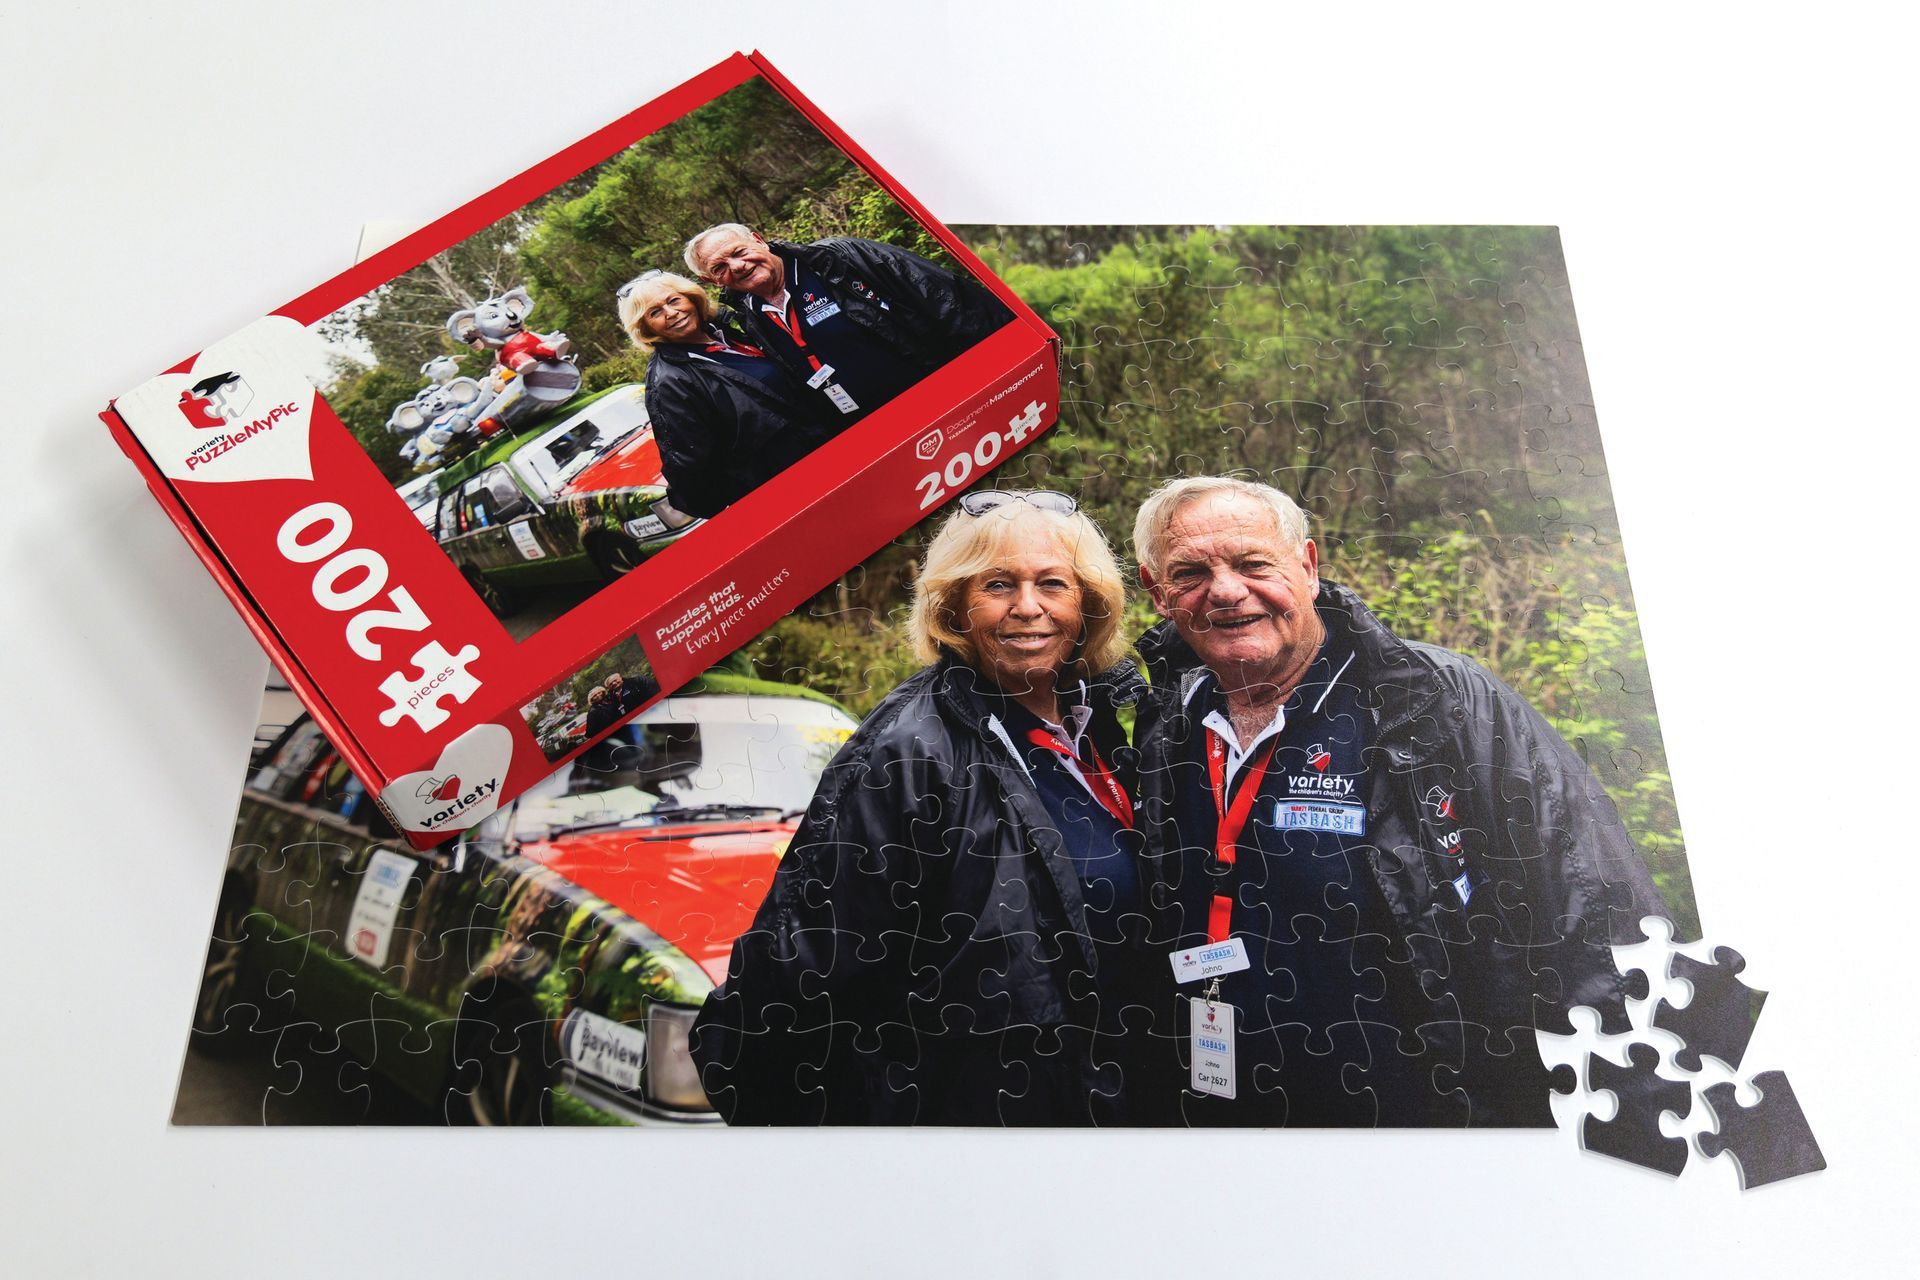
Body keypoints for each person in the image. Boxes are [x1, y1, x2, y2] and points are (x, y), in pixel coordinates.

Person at [1129, 476, 1671, 1127]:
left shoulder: (1437, 700)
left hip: (1435, 1122)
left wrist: (1637, 1121)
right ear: (1156, 592)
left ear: (1306, 566)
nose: (1225, 590)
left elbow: (1594, 910)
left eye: (1252, 564)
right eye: (1190, 572)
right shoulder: (1168, 721)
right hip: (1242, 1124)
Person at [689, 491, 1174, 1124]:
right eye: (998, 584)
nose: (1028, 607)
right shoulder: (909, 751)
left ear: (1087, 604)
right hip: (975, 1134)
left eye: (1052, 583)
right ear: (954, 605)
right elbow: (798, 980)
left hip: (1110, 1112)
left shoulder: (1105, 727)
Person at [683, 223, 1012, 424]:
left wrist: (1006, 358)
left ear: (758, 240)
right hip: (881, 427)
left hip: (949, 391)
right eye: (721, 266)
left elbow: (944, 298)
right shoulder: (750, 315)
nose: (737, 266)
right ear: (710, 280)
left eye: (739, 252)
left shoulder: (837, 259)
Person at [618, 270, 847, 520]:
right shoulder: (669, 382)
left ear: (691, 298)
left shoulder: (728, 330)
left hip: (828, 455)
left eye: (674, 301)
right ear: (644, 326)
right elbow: (690, 469)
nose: (671, 313)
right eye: (655, 312)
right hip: (790, 492)